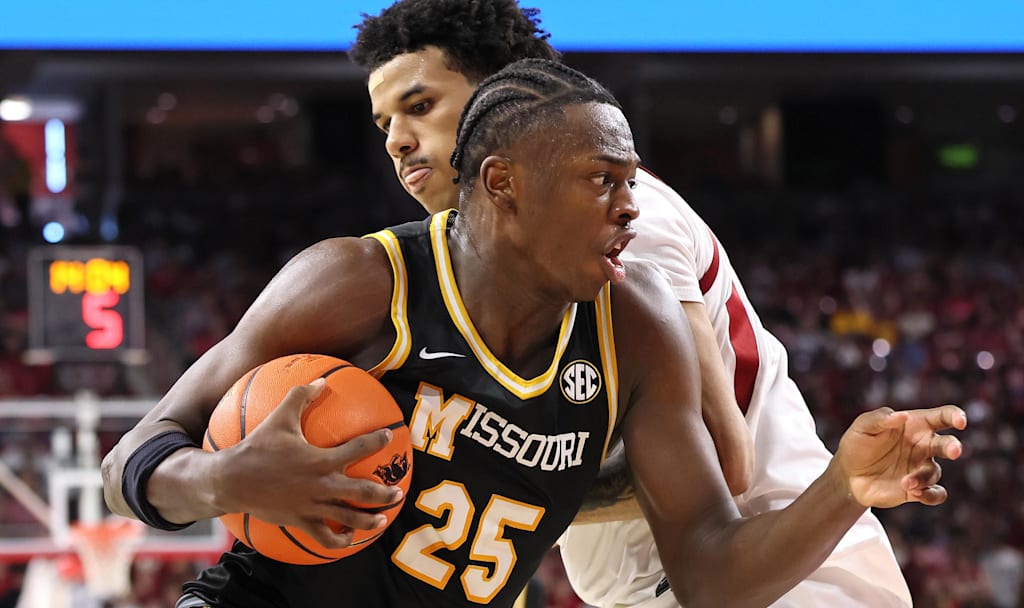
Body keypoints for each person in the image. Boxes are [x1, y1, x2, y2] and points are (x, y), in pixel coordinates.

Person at [102, 60, 964, 608]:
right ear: (504, 183)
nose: (631, 206)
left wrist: (844, 486)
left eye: (630, 181)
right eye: (602, 180)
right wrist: (222, 478)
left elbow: (710, 571)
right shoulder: (361, 282)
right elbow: (130, 462)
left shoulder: (640, 327)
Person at [350, 1, 914, 605]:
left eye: (420, 107)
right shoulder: (503, 255)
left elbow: (727, 459)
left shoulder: (616, 222)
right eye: (384, 123)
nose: (397, 142)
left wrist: (481, 481)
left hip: (784, 577)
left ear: (504, 97)